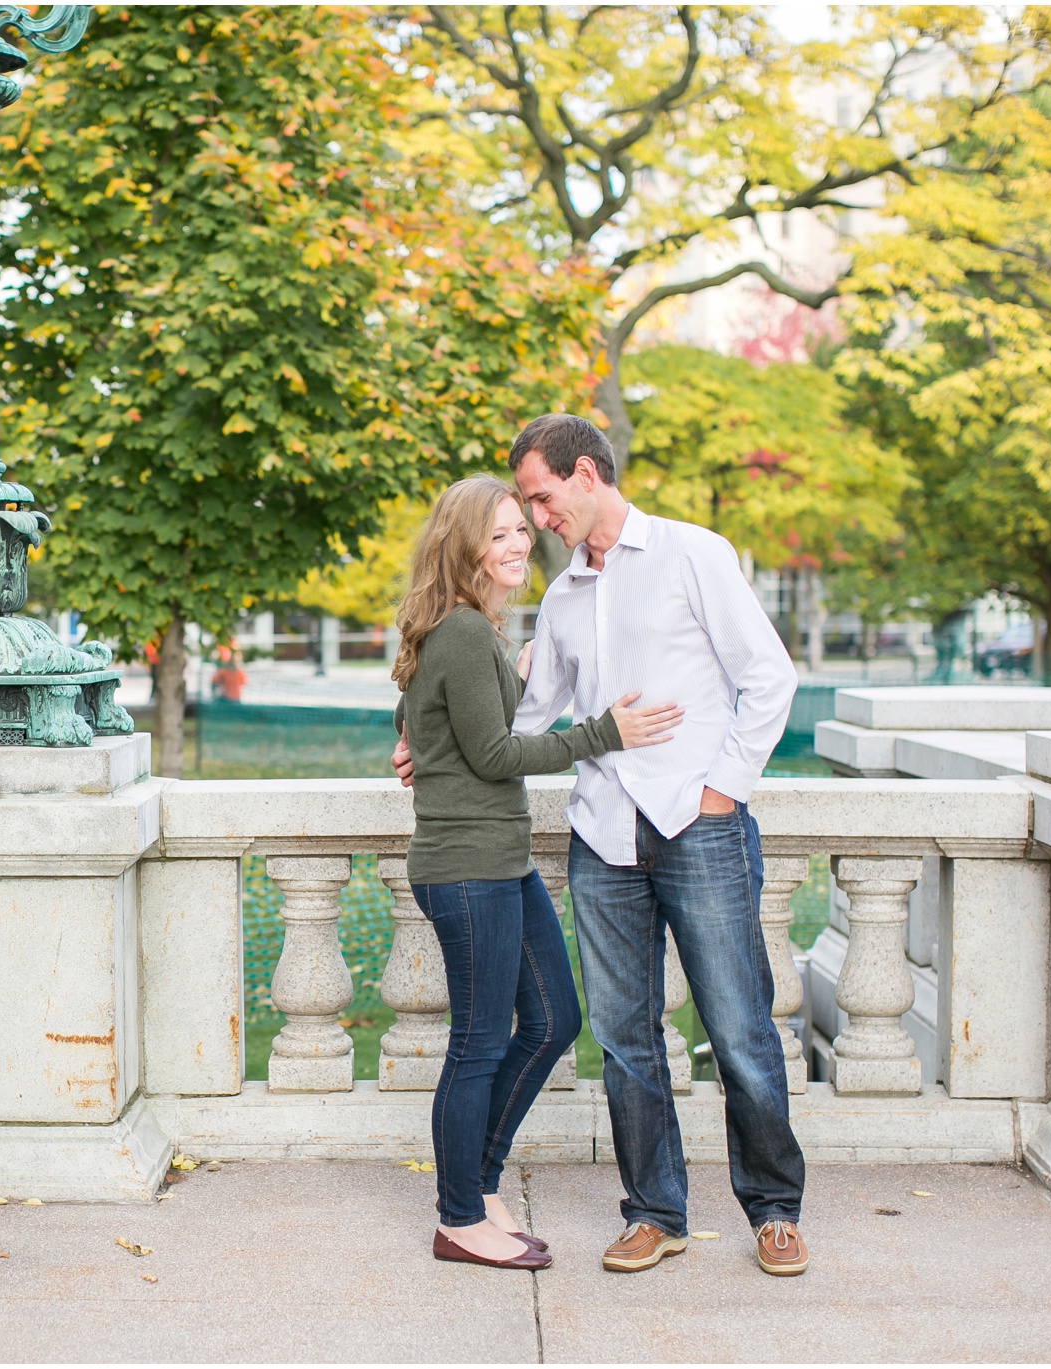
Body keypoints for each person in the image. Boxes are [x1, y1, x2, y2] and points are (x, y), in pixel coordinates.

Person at [395, 413, 808, 1278]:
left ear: (587, 474)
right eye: (525, 509)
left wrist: (724, 788)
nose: (538, 518)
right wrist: (419, 734)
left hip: (700, 830)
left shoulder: (696, 554)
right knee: (626, 1040)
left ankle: (774, 1208)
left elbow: (769, 677)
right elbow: (523, 716)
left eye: (542, 499)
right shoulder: (563, 598)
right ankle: (655, 1212)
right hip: (604, 840)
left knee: (739, 1028)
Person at [391, 474, 682, 1271]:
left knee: (554, 1019)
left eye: (523, 528)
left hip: (500, 862)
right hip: (467, 867)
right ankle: (459, 1215)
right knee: (478, 1044)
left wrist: (499, 680)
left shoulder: (466, 631)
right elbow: (494, 754)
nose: (520, 542)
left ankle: (478, 1183)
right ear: (465, 547)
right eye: (501, 533)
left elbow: (446, 710)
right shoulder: (461, 632)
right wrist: (604, 732)